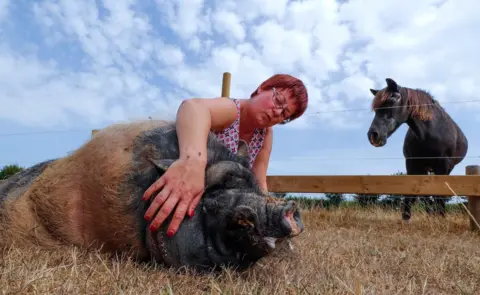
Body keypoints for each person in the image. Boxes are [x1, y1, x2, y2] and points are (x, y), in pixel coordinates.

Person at [142, 74, 309, 237]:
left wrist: (270, 214)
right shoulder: (232, 110)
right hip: (191, 184)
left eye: (284, 115)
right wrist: (193, 162)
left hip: (220, 205)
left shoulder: (265, 135)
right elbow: (193, 108)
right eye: (278, 100)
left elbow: (259, 180)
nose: (276, 112)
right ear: (261, 88)